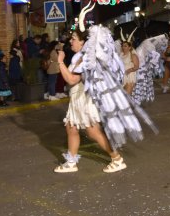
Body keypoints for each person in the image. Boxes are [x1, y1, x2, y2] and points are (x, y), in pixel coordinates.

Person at [53, 29, 127, 173]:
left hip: (84, 99)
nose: (70, 41)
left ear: (83, 42)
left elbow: (71, 79)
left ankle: (117, 159)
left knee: (93, 132)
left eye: (74, 38)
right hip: (77, 98)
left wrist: (60, 62)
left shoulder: (86, 59)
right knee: (71, 128)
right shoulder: (79, 57)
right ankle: (71, 162)